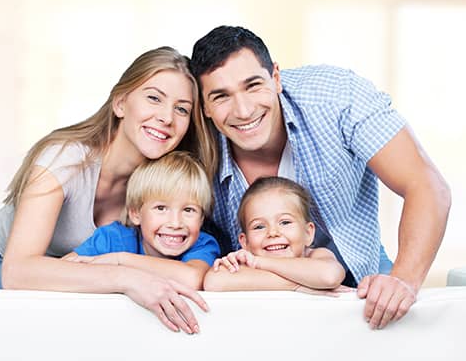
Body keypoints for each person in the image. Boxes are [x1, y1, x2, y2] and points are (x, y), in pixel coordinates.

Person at [190, 26, 451, 329]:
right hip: (255, 292)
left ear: (276, 77)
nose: (244, 110)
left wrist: (403, 280)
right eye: (221, 96)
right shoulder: (193, 140)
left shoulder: (335, 97)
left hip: (358, 277)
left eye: (253, 85)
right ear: (205, 106)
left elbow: (426, 184)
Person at [0, 46, 214, 334]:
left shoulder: (162, 181)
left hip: (89, 263)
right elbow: (17, 273)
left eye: (181, 109)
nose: (167, 117)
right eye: (154, 98)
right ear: (120, 104)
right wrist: (127, 277)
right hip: (9, 259)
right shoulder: (65, 158)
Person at [63, 151, 220, 291]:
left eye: (188, 210)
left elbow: (192, 279)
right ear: (135, 213)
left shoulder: (202, 244)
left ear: (201, 219)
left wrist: (120, 260)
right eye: (161, 208)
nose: (175, 223)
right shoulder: (113, 238)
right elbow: (62, 270)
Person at [203, 176, 345, 292]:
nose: (272, 233)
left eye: (285, 222)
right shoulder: (243, 262)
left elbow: (329, 276)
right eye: (259, 226)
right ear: (244, 242)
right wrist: (301, 284)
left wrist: (259, 263)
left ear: (308, 233)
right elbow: (213, 281)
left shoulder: (316, 255)